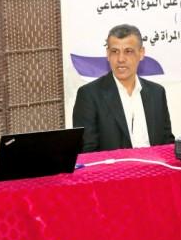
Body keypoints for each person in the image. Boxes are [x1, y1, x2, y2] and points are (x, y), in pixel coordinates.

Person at [72, 24, 174, 152]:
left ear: (141, 53)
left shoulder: (157, 93)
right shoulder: (89, 95)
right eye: (115, 52)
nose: (120, 59)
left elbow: (167, 144)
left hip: (154, 164)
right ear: (108, 54)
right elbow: (86, 153)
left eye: (128, 51)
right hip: (113, 165)